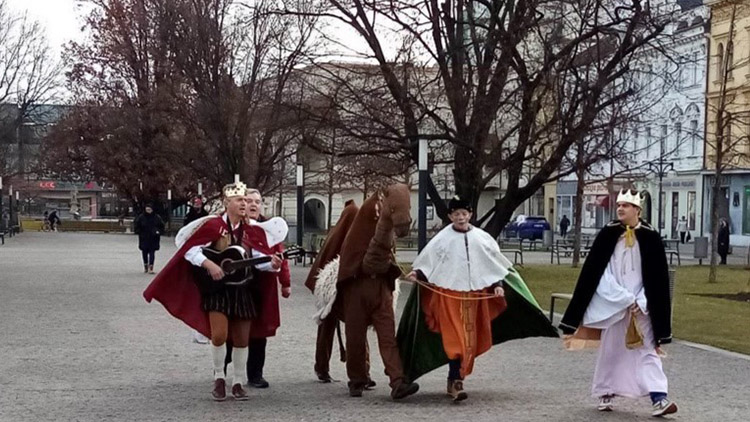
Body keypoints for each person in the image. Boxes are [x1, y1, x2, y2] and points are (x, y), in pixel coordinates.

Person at [402, 195, 558, 401]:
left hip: (474, 296)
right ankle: (456, 381)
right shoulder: (442, 239)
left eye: (464, 214)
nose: (460, 217)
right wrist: (417, 274)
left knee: (469, 339)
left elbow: (492, 264)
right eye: (456, 214)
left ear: (470, 215)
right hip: (450, 296)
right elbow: (430, 262)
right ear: (450, 216)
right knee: (456, 338)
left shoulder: (482, 238)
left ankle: (454, 380)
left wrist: (498, 285)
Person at [143, 182, 283, 401]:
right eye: (240, 201)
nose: (245, 204)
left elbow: (258, 261)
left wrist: (273, 265)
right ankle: (219, 378)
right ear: (228, 204)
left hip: (242, 291)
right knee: (219, 335)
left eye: (246, 200)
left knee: (242, 339)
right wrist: (210, 264)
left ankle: (237, 382)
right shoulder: (214, 226)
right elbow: (190, 250)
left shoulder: (252, 230)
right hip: (218, 291)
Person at [559, 188, 677, 417]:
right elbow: (599, 271)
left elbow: (656, 277)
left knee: (647, 350)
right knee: (611, 350)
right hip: (614, 304)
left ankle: (659, 397)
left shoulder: (651, 237)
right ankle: (606, 391)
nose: (620, 209)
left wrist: (642, 300)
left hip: (641, 307)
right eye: (619, 205)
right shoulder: (608, 234)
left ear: (637, 210)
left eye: (626, 206)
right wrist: (622, 298)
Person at [336, 183, 419, 400]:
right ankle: (357, 378)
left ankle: (397, 381)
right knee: (355, 336)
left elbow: (384, 257)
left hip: (381, 289)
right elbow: (353, 260)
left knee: (388, 336)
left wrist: (400, 273)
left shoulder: (386, 230)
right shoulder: (360, 228)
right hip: (357, 288)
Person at [224, 188, 291, 389]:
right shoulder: (232, 227)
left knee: (259, 331)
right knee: (231, 327)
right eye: (249, 200)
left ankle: (255, 373)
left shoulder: (269, 229)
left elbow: (281, 256)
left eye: (257, 201)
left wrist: (285, 282)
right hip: (235, 286)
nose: (253, 205)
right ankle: (222, 367)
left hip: (262, 285)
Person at [304, 199, 358, 383]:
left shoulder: (343, 232)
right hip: (330, 287)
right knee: (327, 322)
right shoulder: (341, 235)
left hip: (348, 286)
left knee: (355, 324)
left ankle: (358, 370)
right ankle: (322, 366)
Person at [134, 203, 165, 274]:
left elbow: (161, 226)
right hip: (144, 237)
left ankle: (151, 267)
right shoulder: (141, 217)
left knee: (152, 252)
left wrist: (159, 232)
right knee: (144, 252)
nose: (148, 211)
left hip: (153, 237)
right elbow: (137, 225)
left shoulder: (157, 217)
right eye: (147, 209)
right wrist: (139, 232)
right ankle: (145, 265)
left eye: (150, 209)